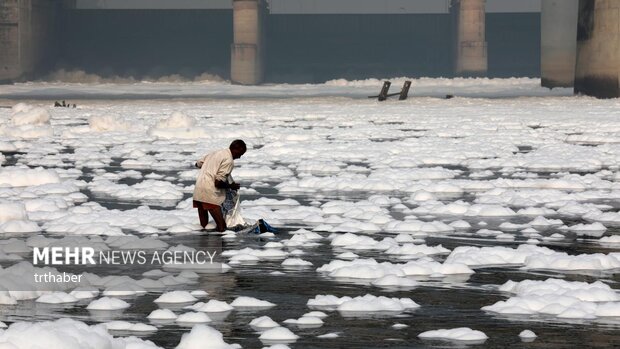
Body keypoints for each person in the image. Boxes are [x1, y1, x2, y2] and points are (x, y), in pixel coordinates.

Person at [193, 139, 246, 232]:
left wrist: (211, 167)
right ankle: (222, 245)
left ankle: (204, 244)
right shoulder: (229, 160)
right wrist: (231, 186)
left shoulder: (215, 153)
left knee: (204, 227)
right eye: (240, 154)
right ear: (236, 149)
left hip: (199, 187)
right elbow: (218, 183)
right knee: (222, 228)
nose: (239, 157)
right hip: (210, 192)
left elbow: (197, 164)